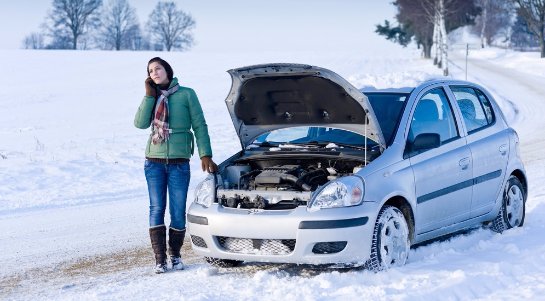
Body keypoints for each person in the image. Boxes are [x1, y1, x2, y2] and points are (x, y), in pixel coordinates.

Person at [134, 57, 217, 274]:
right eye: (150, 71)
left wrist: (205, 153)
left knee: (178, 211)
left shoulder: (187, 94)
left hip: (179, 162)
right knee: (156, 209)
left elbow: (199, 124)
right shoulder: (153, 97)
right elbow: (140, 123)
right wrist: (148, 96)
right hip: (153, 162)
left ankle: (176, 255)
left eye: (158, 68)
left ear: (167, 70)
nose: (154, 73)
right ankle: (160, 259)